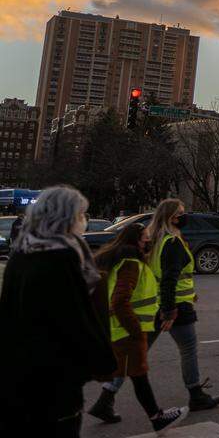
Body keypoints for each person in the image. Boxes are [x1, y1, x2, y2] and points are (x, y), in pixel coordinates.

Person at [0, 186, 116, 437]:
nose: (83, 221)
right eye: (80, 215)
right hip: (54, 377)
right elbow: (75, 319)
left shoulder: (22, 253)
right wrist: (102, 359)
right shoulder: (61, 258)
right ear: (66, 218)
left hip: (17, 372)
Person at [89, 223, 188, 431]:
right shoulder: (131, 263)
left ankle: (105, 406)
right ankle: (157, 418)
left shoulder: (127, 260)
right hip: (129, 331)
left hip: (124, 329)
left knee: (135, 374)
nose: (148, 241)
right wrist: (135, 330)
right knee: (139, 375)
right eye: (145, 238)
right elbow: (119, 301)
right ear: (135, 240)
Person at [140, 198, 219, 411]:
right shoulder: (172, 243)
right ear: (171, 217)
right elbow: (170, 278)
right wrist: (169, 311)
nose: (184, 216)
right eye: (181, 213)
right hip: (175, 306)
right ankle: (196, 395)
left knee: (139, 352)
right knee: (188, 349)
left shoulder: (156, 239)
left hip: (156, 304)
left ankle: (107, 394)